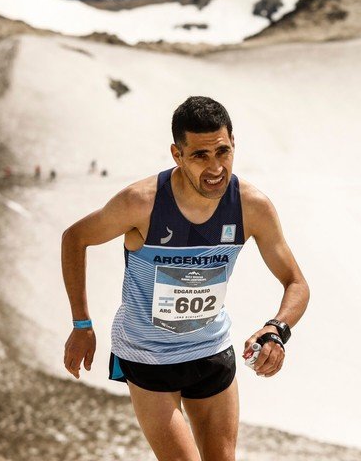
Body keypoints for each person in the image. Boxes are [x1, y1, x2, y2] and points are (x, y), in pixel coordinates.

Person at [62, 96, 310, 461]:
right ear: (177, 155)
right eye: (200, 156)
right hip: (148, 357)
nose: (215, 168)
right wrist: (81, 323)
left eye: (223, 152)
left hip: (210, 350)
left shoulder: (251, 207)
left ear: (233, 145)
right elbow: (75, 238)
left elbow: (296, 283)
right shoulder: (141, 202)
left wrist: (277, 329)